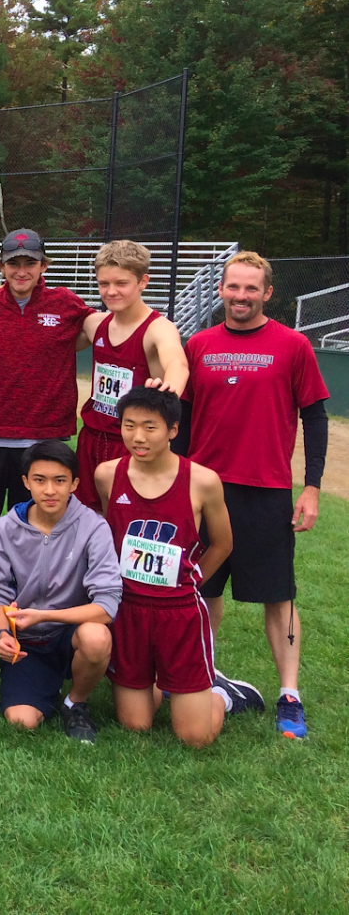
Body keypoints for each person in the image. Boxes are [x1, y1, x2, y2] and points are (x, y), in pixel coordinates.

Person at [180, 252, 329, 739]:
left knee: (278, 596)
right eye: (233, 287)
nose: (241, 296)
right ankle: (201, 678)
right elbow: (180, 423)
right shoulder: (198, 344)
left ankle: (290, 694)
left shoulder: (293, 345)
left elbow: (315, 418)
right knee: (202, 591)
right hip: (204, 489)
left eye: (251, 288)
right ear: (220, 290)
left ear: (267, 293)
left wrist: (310, 487)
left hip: (265, 490)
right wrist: (175, 480)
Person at [95, 387, 265, 746]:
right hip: (128, 610)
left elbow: (223, 543)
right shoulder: (107, 475)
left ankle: (225, 694)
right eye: (129, 426)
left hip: (180, 613)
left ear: (173, 430)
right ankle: (159, 682)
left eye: (149, 427)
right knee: (135, 725)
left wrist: (192, 579)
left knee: (195, 737)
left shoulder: (202, 481)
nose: (138, 437)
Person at [0, 228, 93, 659]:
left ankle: (30, 624)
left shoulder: (68, 305)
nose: (21, 270)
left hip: (44, 442)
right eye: (12, 263)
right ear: (0, 267)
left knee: (35, 540)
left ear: (43, 266)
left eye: (29, 262)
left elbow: (99, 333)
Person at [0, 439, 120, 742]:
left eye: (59, 481)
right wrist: (3, 634)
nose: (49, 490)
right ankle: (40, 684)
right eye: (40, 480)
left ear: (74, 483)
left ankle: (76, 702)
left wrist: (46, 615)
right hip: (28, 641)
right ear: (25, 482)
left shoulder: (93, 527)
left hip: (71, 635)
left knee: (96, 637)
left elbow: (107, 605)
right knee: (22, 721)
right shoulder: (7, 527)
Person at [75, 240, 188, 509]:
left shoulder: (158, 328)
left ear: (142, 282)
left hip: (132, 443)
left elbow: (178, 364)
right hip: (91, 438)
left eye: (121, 283)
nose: (111, 291)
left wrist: (165, 391)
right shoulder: (95, 324)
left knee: (128, 521)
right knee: (85, 521)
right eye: (104, 284)